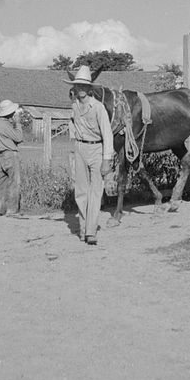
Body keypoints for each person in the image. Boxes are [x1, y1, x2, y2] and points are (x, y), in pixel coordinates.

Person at [63, 65, 114, 245]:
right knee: (81, 191)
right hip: (80, 149)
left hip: (97, 149)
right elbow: (72, 125)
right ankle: (84, 229)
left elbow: (107, 134)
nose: (80, 89)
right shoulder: (74, 106)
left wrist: (107, 160)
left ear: (89, 88)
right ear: (74, 88)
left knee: (95, 191)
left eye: (84, 86)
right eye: (78, 86)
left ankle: (91, 231)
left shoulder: (98, 107)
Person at [0, 99, 23, 216]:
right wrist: (18, 123)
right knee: (14, 182)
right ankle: (12, 210)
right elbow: (19, 137)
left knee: (0, 183)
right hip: (10, 154)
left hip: (1, 155)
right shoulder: (5, 125)